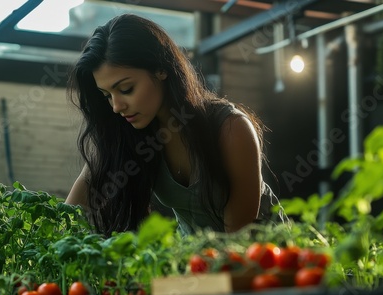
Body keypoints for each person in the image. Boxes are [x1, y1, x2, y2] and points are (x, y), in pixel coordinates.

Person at [65, 13, 284, 237]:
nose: (116, 106)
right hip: (197, 263)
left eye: (126, 89)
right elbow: (71, 211)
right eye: (107, 96)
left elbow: (237, 240)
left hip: (268, 258)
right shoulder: (128, 134)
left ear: (161, 69)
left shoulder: (231, 129)